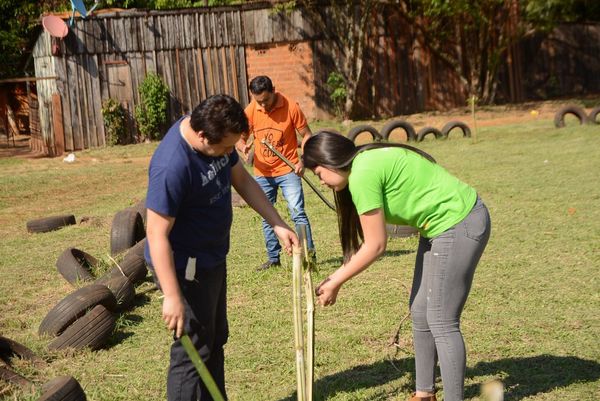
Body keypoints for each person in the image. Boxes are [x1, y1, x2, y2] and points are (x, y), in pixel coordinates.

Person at [302, 131, 491, 401]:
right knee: (420, 311)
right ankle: (424, 393)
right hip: (438, 228)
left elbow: (376, 245)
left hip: (458, 223)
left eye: (319, 173)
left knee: (442, 320)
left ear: (330, 161)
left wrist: (335, 281)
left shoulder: (361, 175)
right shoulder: (365, 161)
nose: (320, 181)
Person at [144, 94, 298, 401]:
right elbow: (156, 234)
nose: (231, 154)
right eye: (226, 147)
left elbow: (241, 179)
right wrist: (173, 297)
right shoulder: (172, 166)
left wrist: (277, 223)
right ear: (202, 136)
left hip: (212, 258)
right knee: (191, 351)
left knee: (215, 338)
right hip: (184, 269)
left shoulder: (216, 137)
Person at [235, 75, 315, 271]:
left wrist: (302, 160)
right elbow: (239, 138)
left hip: (288, 169)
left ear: (273, 91)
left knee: (297, 213)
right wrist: (243, 146)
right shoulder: (251, 110)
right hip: (262, 172)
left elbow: (307, 135)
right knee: (266, 214)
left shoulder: (290, 107)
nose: (262, 105)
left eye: (266, 100)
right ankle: (273, 258)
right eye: (258, 101)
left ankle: (309, 255)